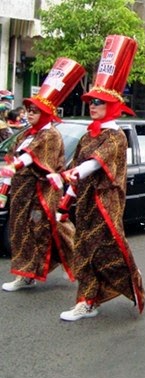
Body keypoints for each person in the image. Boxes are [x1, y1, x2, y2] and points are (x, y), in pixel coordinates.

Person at [53, 36, 145, 321]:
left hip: (106, 203)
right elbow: (79, 165)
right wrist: (66, 198)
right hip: (86, 203)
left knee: (107, 249)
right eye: (91, 101)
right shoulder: (87, 135)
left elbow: (93, 164)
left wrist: (73, 173)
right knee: (83, 249)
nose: (92, 105)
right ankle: (88, 300)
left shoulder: (116, 136)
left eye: (99, 102)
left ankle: (132, 279)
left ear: (113, 106)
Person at [0, 58, 85, 292]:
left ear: (47, 113)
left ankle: (89, 266)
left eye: (34, 111)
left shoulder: (50, 135)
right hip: (22, 195)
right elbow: (12, 159)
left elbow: (28, 158)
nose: (29, 114)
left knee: (57, 232)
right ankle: (26, 274)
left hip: (43, 195)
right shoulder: (24, 134)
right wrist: (4, 192)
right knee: (22, 233)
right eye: (28, 110)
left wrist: (15, 168)